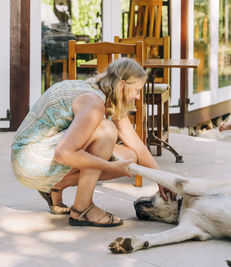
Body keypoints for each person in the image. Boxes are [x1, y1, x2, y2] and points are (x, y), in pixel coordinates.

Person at [11, 58, 173, 227]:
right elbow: (63, 153)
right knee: (106, 130)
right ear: (122, 85)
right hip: (29, 161)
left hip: (35, 156)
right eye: (137, 90)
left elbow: (135, 143)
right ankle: (82, 209)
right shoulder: (94, 103)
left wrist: (163, 180)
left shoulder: (101, 92)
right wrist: (108, 166)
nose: (139, 97)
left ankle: (55, 187)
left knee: (130, 156)